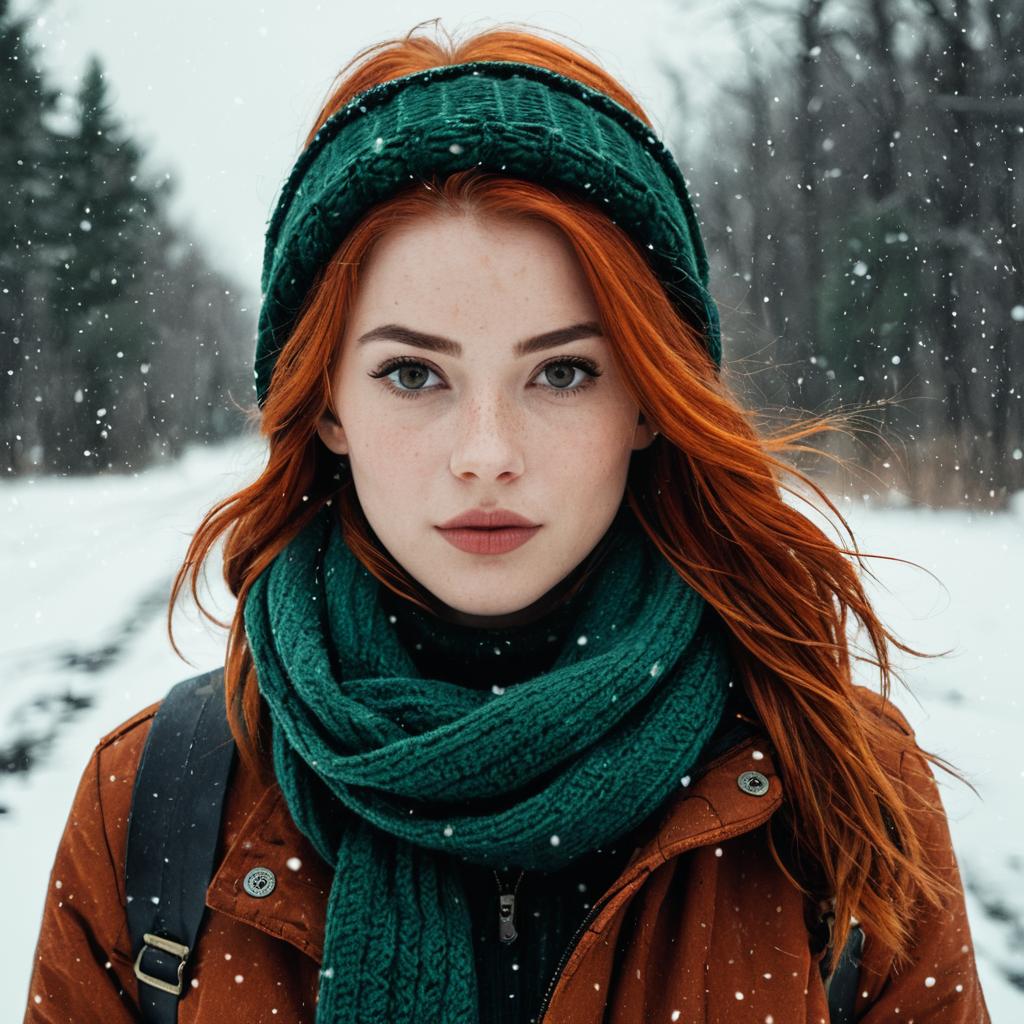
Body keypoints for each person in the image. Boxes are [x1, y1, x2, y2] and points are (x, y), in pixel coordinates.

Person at [24, 19, 990, 1024]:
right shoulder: (158, 804)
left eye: (563, 371)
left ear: (651, 400)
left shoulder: (834, 783)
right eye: (413, 373)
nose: (486, 450)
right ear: (326, 405)